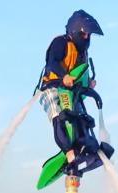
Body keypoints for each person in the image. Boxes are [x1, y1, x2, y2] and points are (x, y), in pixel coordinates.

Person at [37, 10, 111, 176]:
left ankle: (89, 148)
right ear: (75, 31)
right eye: (84, 34)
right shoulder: (60, 43)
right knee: (62, 117)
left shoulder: (82, 54)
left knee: (81, 119)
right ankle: (71, 156)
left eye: (89, 35)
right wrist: (64, 77)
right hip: (53, 87)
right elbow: (51, 63)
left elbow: (80, 74)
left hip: (72, 91)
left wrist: (89, 84)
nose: (87, 38)